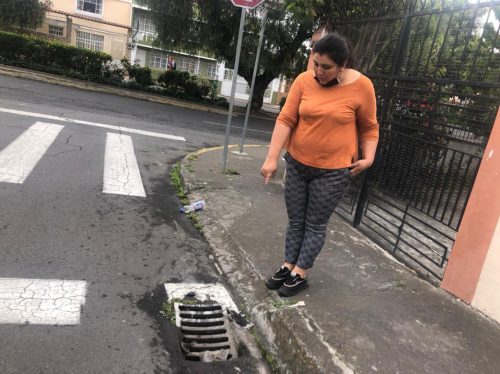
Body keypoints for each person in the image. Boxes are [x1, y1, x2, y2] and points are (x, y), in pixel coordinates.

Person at [260, 32, 379, 297]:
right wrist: (271, 157)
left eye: (326, 67)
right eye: (316, 64)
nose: (318, 71)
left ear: (343, 64)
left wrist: (368, 157)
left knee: (314, 224)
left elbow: (369, 126)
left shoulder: (362, 87)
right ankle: (287, 265)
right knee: (295, 221)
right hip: (298, 164)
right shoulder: (304, 81)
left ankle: (301, 272)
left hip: (333, 172)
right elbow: (286, 118)